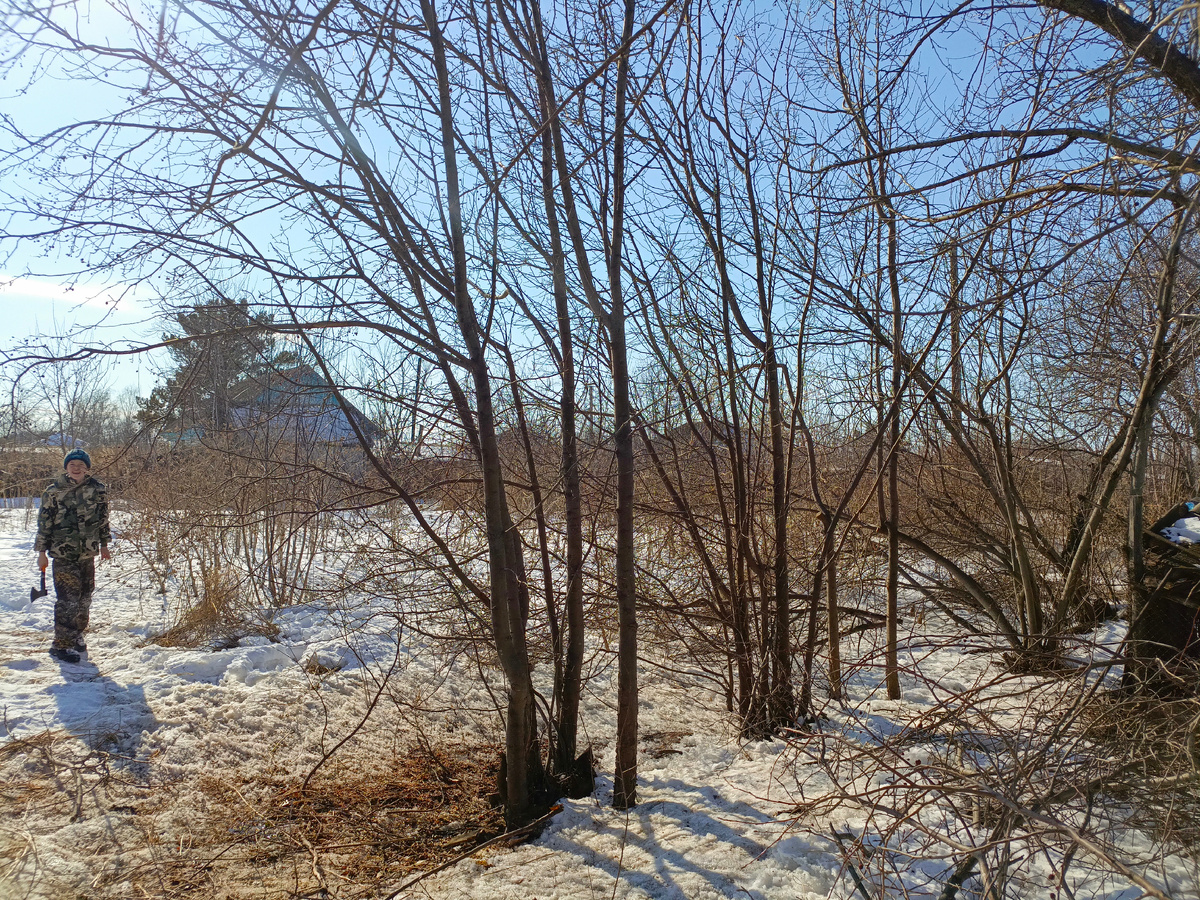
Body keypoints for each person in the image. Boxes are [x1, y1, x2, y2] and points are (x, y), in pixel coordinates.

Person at [34, 449, 111, 664]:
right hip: (63, 554)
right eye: (72, 465)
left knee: (85, 597)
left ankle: (76, 635)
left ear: (87, 467)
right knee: (68, 600)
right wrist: (41, 553)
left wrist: (104, 544)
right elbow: (44, 524)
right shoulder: (53, 491)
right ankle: (60, 644)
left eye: (81, 465)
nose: (76, 468)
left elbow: (103, 519)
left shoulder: (97, 489)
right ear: (66, 467)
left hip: (87, 553)